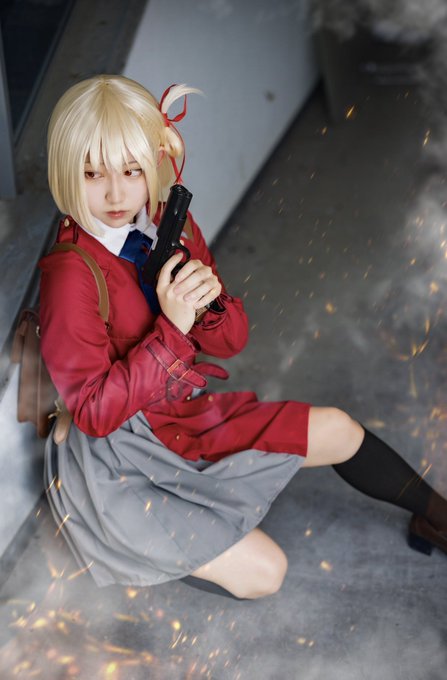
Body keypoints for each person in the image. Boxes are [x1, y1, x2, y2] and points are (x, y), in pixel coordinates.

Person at [40, 74, 446, 601]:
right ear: (67, 170)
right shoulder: (70, 273)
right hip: (119, 457)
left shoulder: (169, 224)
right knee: (265, 573)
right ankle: (118, 546)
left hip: (179, 416)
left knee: (339, 429)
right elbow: (95, 413)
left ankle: (437, 518)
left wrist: (207, 304)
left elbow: (232, 341)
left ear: (153, 162)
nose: (116, 193)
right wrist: (172, 329)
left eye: (131, 170)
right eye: (93, 173)